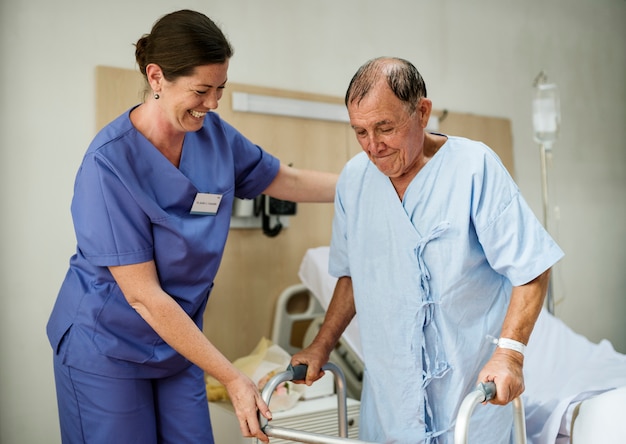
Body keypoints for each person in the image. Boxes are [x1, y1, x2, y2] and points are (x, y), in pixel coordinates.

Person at [46, 9, 337, 444]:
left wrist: (368, 184)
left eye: (220, 89)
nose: (213, 103)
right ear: (157, 77)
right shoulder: (108, 164)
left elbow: (284, 180)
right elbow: (143, 296)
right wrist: (234, 378)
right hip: (106, 347)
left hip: (177, 345)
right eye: (202, 90)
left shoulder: (213, 135)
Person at [291, 57, 564, 443]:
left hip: (470, 400)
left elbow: (532, 267)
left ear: (422, 111)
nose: (373, 146)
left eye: (385, 128)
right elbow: (352, 275)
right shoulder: (354, 181)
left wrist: (510, 355)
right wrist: (321, 346)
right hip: (389, 404)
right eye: (360, 132)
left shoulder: (474, 167)